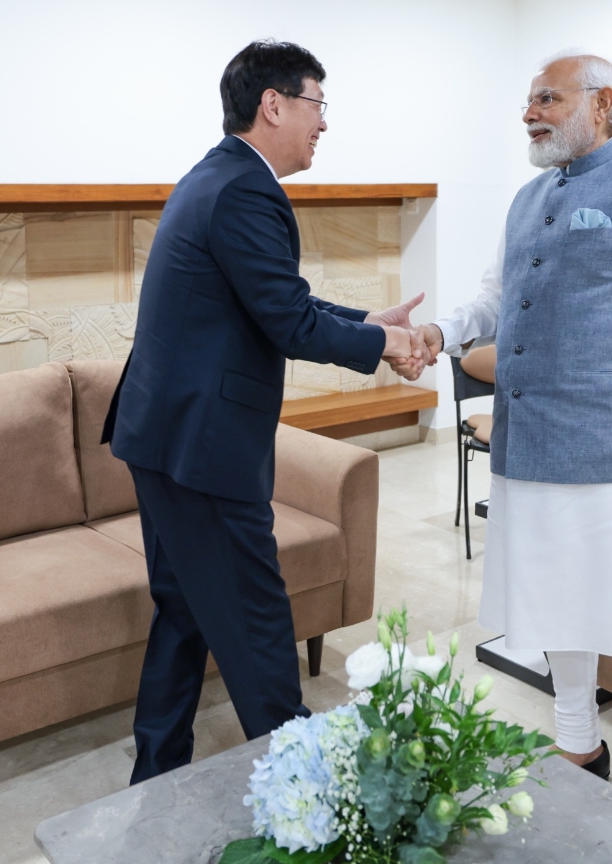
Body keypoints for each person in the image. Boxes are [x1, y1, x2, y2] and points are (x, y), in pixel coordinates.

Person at [395, 50, 612, 815]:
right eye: (529, 100)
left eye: (548, 98)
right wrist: (438, 332)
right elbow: (495, 300)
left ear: (603, 105)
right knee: (558, 606)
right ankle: (579, 743)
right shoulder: (527, 200)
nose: (530, 113)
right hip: (529, 450)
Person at [102, 39, 428, 785]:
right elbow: (288, 322)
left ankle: (157, 772)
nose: (324, 123)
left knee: (184, 608)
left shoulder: (216, 176)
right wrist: (384, 343)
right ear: (273, 105)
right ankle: (304, 789)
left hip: (163, 436)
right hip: (203, 448)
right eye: (318, 104)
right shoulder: (247, 190)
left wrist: (368, 321)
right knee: (255, 619)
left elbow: (277, 298)